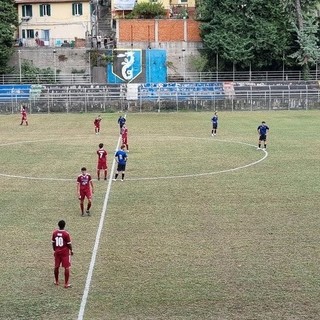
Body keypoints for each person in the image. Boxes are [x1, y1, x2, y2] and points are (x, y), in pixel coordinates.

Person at [52, 220, 73, 288]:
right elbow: (69, 244)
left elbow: (53, 242)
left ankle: (56, 281)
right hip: (65, 252)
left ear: (58, 225)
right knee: (66, 267)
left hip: (57, 252)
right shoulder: (66, 234)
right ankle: (66, 283)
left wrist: (55, 250)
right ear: (64, 225)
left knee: (56, 266)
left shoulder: (54, 233)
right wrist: (71, 250)